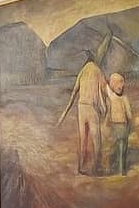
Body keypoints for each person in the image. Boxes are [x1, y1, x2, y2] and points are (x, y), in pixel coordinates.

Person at [57, 33, 113, 176]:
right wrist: (109, 107)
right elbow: (106, 90)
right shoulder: (98, 70)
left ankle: (81, 167)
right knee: (96, 140)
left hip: (81, 108)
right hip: (91, 108)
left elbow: (74, 93)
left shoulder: (82, 71)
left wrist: (64, 114)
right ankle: (96, 168)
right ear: (95, 59)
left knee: (83, 139)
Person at [106, 73, 133, 176]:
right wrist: (130, 124)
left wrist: (107, 124)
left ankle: (116, 169)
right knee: (123, 148)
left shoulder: (110, 98)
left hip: (114, 127)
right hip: (123, 126)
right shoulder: (124, 98)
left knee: (116, 148)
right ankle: (122, 171)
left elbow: (108, 113)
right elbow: (129, 114)